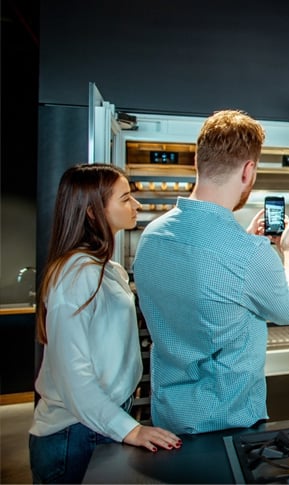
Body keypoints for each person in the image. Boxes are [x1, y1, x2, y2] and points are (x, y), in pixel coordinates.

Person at [133, 109, 289, 434]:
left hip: (167, 420)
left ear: (198, 162)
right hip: (228, 424)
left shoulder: (151, 236)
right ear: (248, 171)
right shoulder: (249, 253)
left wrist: (245, 242)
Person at [29, 164, 182, 484]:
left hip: (100, 422)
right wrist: (132, 429)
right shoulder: (76, 276)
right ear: (91, 212)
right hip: (74, 434)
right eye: (125, 198)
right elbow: (75, 378)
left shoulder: (107, 269)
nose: (136, 205)